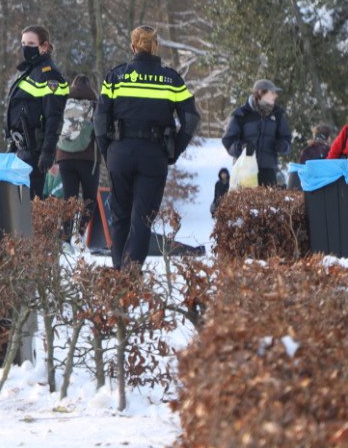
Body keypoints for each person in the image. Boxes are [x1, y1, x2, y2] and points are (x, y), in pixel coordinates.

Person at [95, 25, 201, 268]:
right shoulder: (171, 80)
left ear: (133, 47)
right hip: (154, 155)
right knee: (142, 219)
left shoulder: (116, 76)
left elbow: (100, 118)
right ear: (156, 47)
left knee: (120, 216)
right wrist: (174, 150)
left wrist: (107, 150)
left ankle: (119, 273)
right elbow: (191, 118)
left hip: (120, 152)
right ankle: (131, 273)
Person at [5, 25, 69, 199]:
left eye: (31, 44)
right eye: (23, 43)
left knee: (31, 205)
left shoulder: (49, 76)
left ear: (44, 46)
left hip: (36, 152)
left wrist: (48, 152)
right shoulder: (29, 72)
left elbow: (54, 117)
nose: (26, 48)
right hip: (22, 150)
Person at [54, 75, 101, 246]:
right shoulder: (95, 103)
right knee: (89, 199)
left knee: (69, 199)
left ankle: (65, 238)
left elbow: (56, 126)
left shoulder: (63, 101)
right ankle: (79, 235)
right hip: (88, 159)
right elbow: (101, 129)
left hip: (65, 157)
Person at [221, 80, 292, 188]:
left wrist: (283, 146)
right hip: (245, 171)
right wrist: (241, 147)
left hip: (268, 172)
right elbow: (228, 141)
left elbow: (287, 141)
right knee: (246, 199)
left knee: (268, 199)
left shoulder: (278, 115)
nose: (275, 95)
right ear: (260, 93)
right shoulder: (241, 114)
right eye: (272, 92)